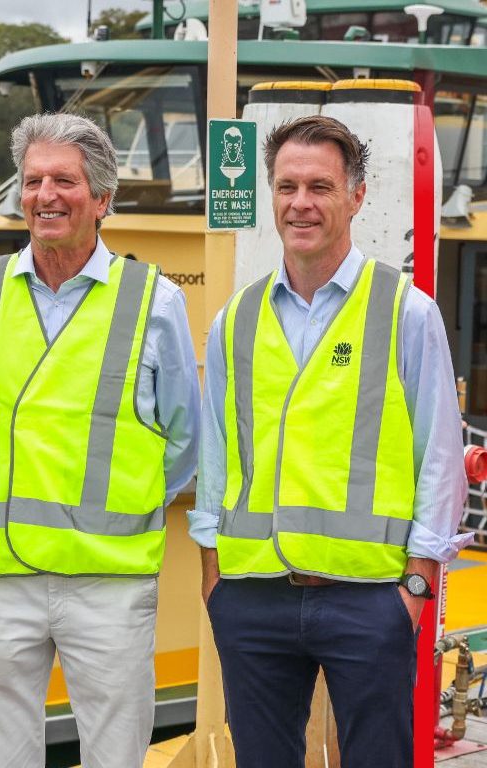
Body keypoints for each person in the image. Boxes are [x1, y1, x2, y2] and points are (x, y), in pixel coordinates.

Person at [193, 115, 471, 768]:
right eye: (286, 187)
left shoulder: (406, 311)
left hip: (369, 599)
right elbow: (215, 456)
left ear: (357, 196)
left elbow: (439, 458)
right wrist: (214, 579)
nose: (300, 203)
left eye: (319, 186)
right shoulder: (236, 319)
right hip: (252, 597)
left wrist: (417, 586)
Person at [0, 112, 201, 767]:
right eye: (32, 181)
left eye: (63, 180)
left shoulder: (156, 302)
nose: (44, 196)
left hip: (108, 582)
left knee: (116, 756)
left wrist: (116, 507)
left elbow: (185, 442)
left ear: (103, 198)